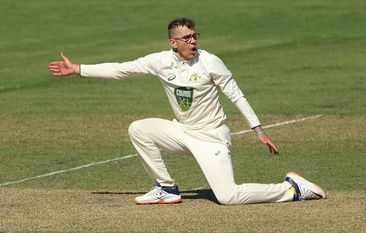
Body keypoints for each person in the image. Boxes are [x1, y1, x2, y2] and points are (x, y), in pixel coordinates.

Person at [48, 17, 326, 205]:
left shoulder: (210, 62)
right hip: (181, 131)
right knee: (139, 128)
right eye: (187, 38)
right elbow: (122, 69)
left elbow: (236, 94)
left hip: (212, 137)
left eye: (195, 36)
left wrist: (258, 130)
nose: (193, 41)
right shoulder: (159, 61)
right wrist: (79, 69)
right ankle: (166, 189)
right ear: (173, 43)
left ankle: (292, 188)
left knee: (227, 197)